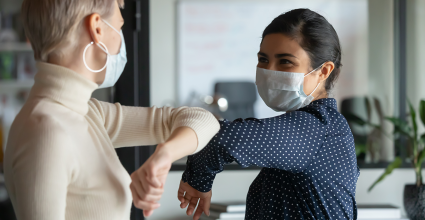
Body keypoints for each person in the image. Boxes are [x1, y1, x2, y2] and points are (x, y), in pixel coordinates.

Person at [3, 0, 220, 219]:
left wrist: (164, 155)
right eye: (119, 26)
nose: (120, 39)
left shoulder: (86, 113)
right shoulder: (46, 130)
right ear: (97, 28)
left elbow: (204, 120)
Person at [138, 8, 360, 220]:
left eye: (285, 62)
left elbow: (219, 139)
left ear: (323, 71)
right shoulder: (324, 127)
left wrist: (197, 181)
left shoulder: (316, 128)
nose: (269, 71)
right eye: (263, 59)